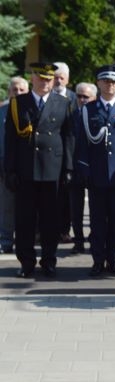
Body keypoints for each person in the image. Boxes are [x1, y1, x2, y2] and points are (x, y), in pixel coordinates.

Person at [4, 62, 73, 278]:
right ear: (32, 78)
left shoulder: (63, 103)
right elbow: (11, 140)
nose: (45, 83)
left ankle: (49, 260)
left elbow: (68, 137)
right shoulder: (18, 103)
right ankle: (26, 262)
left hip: (52, 168)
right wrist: (10, 170)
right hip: (26, 169)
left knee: (50, 220)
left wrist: (68, 168)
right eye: (41, 78)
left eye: (49, 79)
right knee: (24, 220)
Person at [76, 65, 115, 277]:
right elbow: (82, 143)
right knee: (96, 222)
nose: (109, 85)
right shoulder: (88, 110)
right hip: (96, 175)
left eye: (113, 82)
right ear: (98, 83)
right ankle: (97, 260)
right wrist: (84, 169)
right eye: (105, 81)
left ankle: (112, 259)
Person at [0, 76, 29, 254]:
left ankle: (25, 241)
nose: (17, 93)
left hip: (27, 167)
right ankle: (5, 241)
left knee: (27, 208)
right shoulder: (2, 112)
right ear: (9, 91)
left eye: (21, 90)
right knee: (6, 207)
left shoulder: (31, 110)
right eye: (14, 89)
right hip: (4, 167)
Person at [69, 82, 97, 254]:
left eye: (85, 96)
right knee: (75, 209)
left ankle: (95, 239)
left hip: (94, 168)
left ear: (93, 97)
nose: (81, 99)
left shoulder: (98, 114)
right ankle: (78, 240)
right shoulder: (70, 115)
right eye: (78, 96)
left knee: (96, 209)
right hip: (74, 167)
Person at [53, 62, 78, 245]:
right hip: (48, 154)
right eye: (55, 77)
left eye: (62, 77)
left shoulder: (74, 99)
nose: (58, 81)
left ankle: (63, 230)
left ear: (68, 79)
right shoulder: (45, 97)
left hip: (69, 155)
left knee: (66, 197)